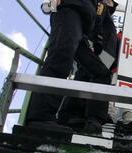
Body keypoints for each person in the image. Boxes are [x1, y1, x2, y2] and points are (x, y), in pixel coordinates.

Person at [26, 0, 112, 134]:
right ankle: (41, 117)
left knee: (102, 73)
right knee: (60, 60)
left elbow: (97, 22)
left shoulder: (100, 5)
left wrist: (97, 42)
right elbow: (47, 6)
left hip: (83, 30)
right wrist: (50, 5)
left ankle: (95, 120)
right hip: (69, 13)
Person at [57, 0, 119, 135]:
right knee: (86, 75)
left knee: (90, 76)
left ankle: (84, 116)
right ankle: (75, 115)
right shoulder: (98, 10)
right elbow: (92, 27)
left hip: (104, 53)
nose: (109, 3)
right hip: (94, 48)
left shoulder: (106, 16)